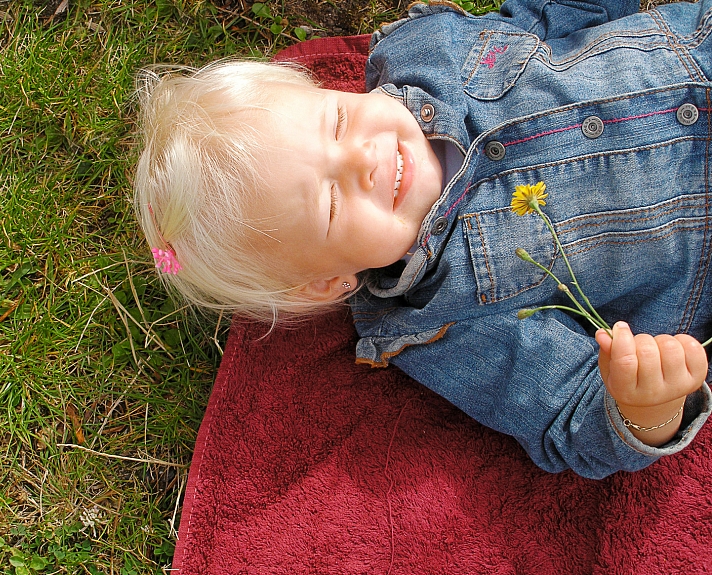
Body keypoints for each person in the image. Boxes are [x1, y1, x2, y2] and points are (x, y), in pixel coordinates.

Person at [133, 0, 712, 478]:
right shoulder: (440, 322)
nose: (362, 158)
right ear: (327, 282)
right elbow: (570, 419)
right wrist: (645, 407)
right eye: (331, 202)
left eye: (335, 121)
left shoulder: (426, 53)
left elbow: (555, 16)